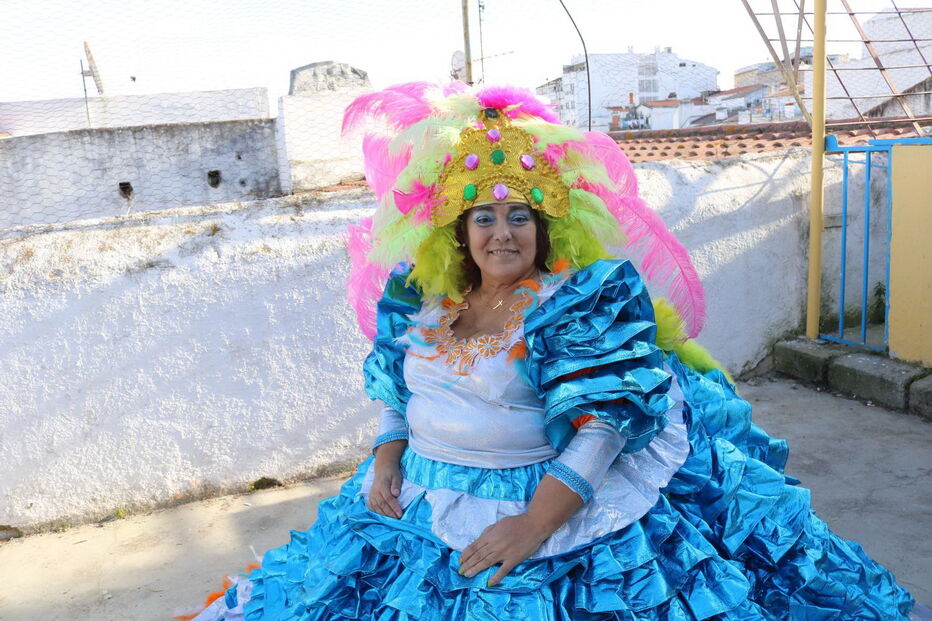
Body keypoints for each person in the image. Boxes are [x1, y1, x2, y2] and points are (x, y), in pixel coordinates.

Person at [190, 83, 916, 620]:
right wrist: (386, 456)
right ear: (458, 231)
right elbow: (397, 392)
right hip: (416, 496)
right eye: (484, 216)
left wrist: (535, 525)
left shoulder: (576, 303)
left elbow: (602, 427)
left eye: (519, 217)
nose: (501, 233)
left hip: (543, 505)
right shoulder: (424, 302)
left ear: (543, 231)